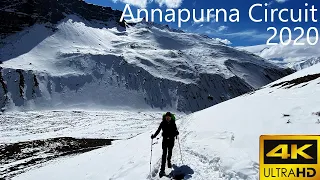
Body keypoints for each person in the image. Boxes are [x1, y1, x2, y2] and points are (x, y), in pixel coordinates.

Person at [151, 112, 179, 177]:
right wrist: (154, 136)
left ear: (170, 117)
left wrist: (176, 133)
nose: (168, 118)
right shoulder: (162, 123)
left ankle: (169, 161)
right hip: (165, 141)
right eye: (167, 117)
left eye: (169, 117)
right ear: (165, 117)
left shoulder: (173, 123)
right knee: (164, 154)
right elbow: (158, 130)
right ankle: (162, 170)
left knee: (170, 152)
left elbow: (175, 131)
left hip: (171, 140)